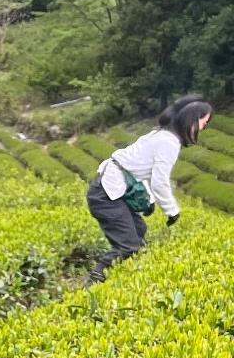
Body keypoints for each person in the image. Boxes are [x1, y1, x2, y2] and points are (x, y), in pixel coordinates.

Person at [87, 95, 213, 280]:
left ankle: (130, 278)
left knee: (139, 230)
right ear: (193, 120)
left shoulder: (159, 134)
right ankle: (95, 279)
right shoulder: (169, 143)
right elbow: (158, 180)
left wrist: (150, 199)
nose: (204, 126)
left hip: (110, 186)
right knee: (128, 246)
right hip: (106, 194)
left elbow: (139, 167)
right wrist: (172, 211)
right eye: (205, 121)